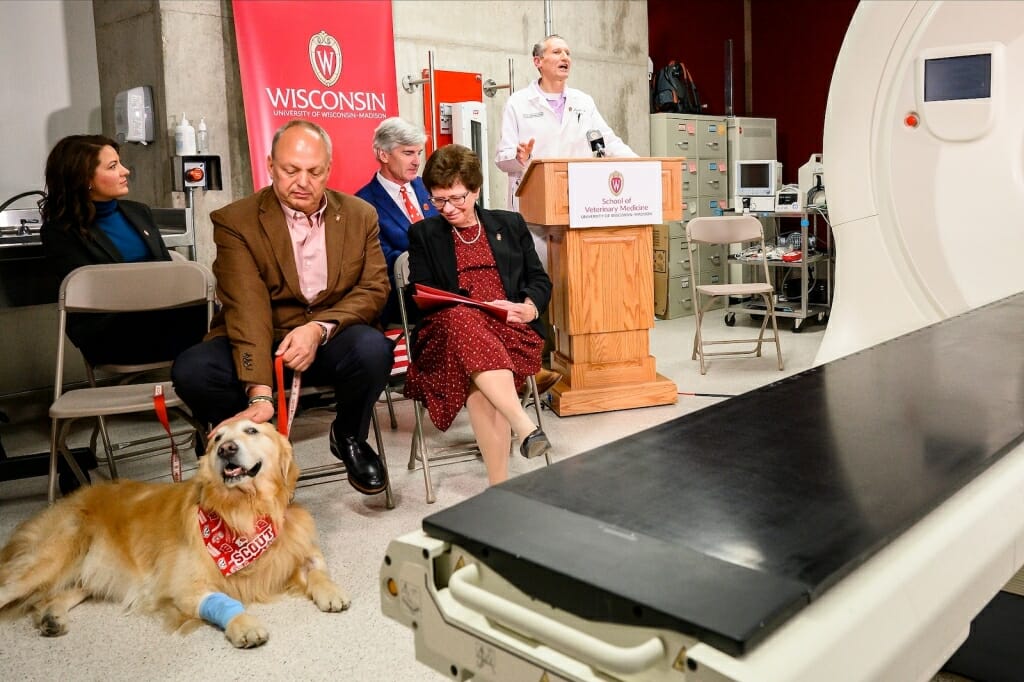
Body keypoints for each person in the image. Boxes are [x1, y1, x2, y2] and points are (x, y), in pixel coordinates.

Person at [171, 120, 394, 495]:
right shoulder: (235, 221)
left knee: (373, 349)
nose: (302, 182)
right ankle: (242, 446)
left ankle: (349, 435)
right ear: (271, 165)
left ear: (329, 169)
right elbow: (247, 306)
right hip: (259, 337)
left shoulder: (360, 215)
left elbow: (374, 287)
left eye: (314, 171)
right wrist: (260, 392)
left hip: (325, 337)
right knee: (193, 370)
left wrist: (317, 329)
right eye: (291, 170)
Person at [404, 144, 553, 485]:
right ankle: (523, 424)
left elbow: (539, 280)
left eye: (456, 198)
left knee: (479, 374)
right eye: (438, 200)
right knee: (461, 320)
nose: (447, 208)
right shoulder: (424, 234)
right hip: (447, 335)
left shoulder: (509, 224)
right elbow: (419, 297)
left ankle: (498, 487)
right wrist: (468, 306)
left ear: (475, 190)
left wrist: (528, 307)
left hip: (509, 331)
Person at [39, 134, 207, 365]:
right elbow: (92, 296)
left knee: (229, 312)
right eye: (113, 166)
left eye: (120, 163)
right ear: (84, 178)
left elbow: (169, 271)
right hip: (114, 334)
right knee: (217, 322)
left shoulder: (139, 212)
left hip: (168, 317)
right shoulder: (61, 232)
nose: (125, 171)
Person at [494, 34, 637, 252]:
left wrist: (641, 166)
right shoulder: (518, 102)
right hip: (534, 211)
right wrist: (519, 156)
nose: (565, 57)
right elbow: (502, 158)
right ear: (538, 61)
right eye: (557, 52)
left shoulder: (583, 102)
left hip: (577, 207)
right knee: (540, 278)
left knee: (574, 278)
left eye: (568, 53)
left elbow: (607, 142)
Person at [355, 117, 438, 326]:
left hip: (447, 285)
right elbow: (383, 261)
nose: (417, 161)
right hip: (404, 296)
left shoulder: (430, 188)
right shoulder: (363, 204)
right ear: (383, 154)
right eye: (408, 153)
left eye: (419, 153)